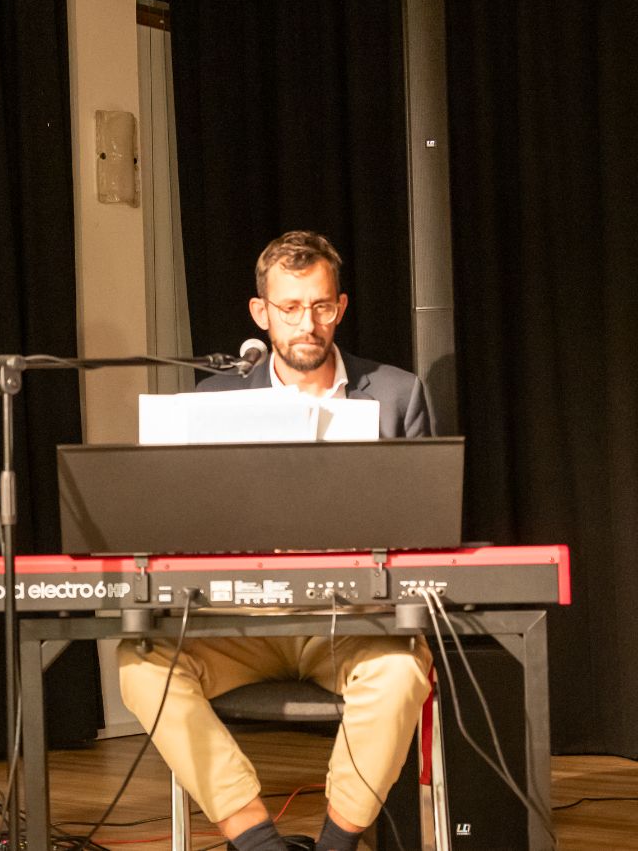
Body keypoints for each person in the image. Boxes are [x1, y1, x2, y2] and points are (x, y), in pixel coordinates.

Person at [118, 232, 433, 851]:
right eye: (289, 308)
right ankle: (257, 842)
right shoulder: (211, 401)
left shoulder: (397, 395)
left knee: (401, 669)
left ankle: (337, 844)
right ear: (260, 313)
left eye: (320, 306)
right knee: (141, 666)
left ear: (341, 307)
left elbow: (425, 527)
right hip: (242, 623)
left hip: (351, 620)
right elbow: (178, 523)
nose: (306, 324)